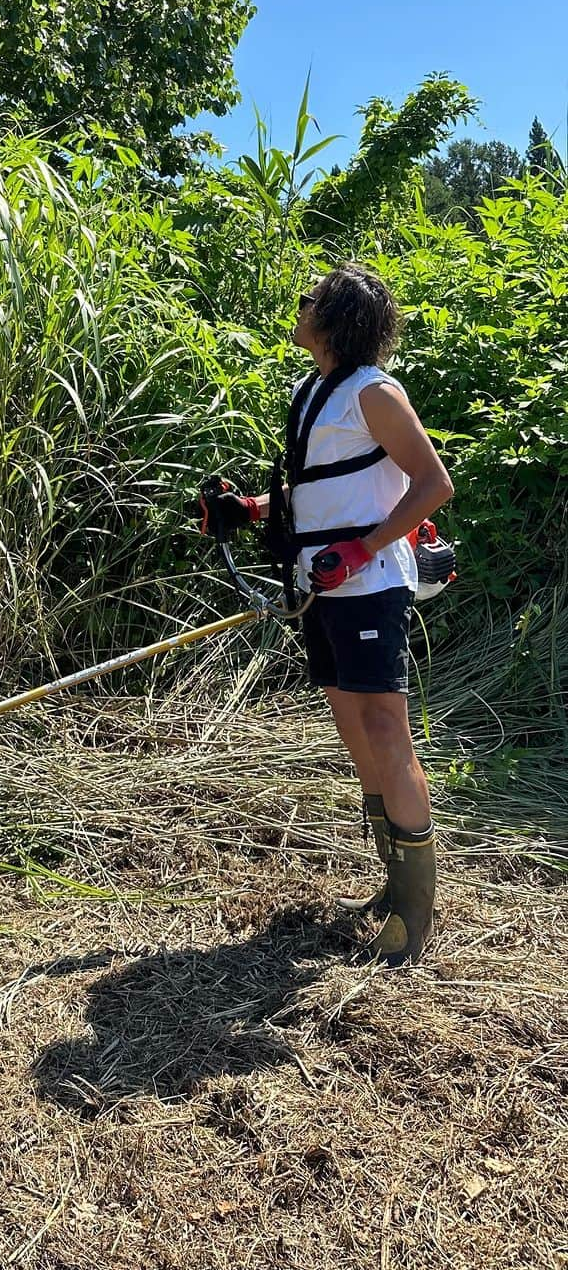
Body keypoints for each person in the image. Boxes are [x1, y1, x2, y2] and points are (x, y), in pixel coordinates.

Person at [204, 263, 453, 965]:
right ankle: (389, 883)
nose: (300, 304)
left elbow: (434, 484)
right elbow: (318, 494)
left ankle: (413, 913)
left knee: (385, 728)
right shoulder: (311, 390)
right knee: (355, 730)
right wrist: (247, 510)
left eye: (309, 297)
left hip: (369, 583)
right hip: (322, 586)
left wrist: (362, 549)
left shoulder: (375, 393)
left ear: (336, 314)